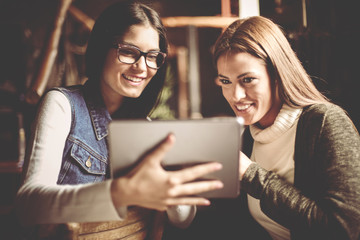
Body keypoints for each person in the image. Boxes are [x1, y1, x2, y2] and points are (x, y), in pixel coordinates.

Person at [14, 0, 223, 236]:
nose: (142, 67)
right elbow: (27, 206)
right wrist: (119, 192)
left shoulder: (148, 130)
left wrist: (176, 181)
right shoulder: (63, 105)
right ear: (102, 48)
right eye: (128, 52)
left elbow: (183, 220)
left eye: (152, 56)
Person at [212, 16, 360, 240]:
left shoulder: (324, 123)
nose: (235, 96)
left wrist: (252, 175)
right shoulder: (250, 134)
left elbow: (344, 230)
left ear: (277, 75)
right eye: (226, 82)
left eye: (248, 79)